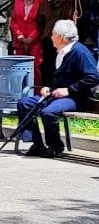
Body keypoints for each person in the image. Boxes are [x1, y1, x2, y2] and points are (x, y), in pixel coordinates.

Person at [17, 20, 99, 158]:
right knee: (25, 103)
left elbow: (93, 77)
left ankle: (55, 145)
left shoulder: (80, 52)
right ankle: (37, 144)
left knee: (48, 112)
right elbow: (60, 78)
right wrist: (48, 87)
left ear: (61, 37)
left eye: (53, 34)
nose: (51, 36)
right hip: (58, 95)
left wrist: (69, 90)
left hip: (76, 97)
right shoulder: (61, 52)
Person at [12, 0, 45, 86]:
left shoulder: (42, 1)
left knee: (35, 71)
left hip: (35, 42)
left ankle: (36, 95)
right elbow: (13, 21)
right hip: (19, 41)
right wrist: (20, 35)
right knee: (18, 69)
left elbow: (41, 23)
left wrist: (31, 38)